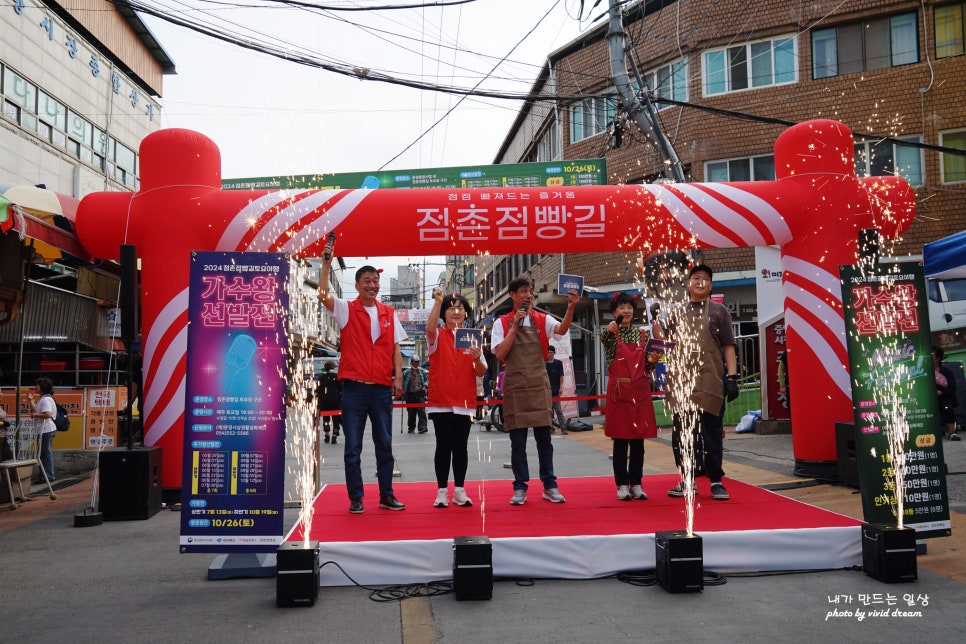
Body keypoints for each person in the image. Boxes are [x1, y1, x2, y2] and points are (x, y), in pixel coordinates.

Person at [318, 239, 406, 514]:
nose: (372, 285)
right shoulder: (346, 309)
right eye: (366, 280)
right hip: (354, 390)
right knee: (353, 447)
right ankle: (356, 497)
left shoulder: (389, 313)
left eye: (375, 281)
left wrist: (398, 379)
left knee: (385, 445)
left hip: (380, 389)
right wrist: (326, 264)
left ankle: (386, 494)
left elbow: (395, 348)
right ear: (357, 285)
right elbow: (322, 294)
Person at [491, 276, 579, 505]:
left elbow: (561, 329)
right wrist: (513, 328)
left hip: (539, 383)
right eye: (523, 291)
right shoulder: (501, 323)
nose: (528, 295)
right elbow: (500, 354)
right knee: (517, 441)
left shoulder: (542, 319)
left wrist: (570, 308)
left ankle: (549, 485)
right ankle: (520, 486)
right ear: (512, 295)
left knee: (544, 439)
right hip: (515, 385)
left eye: (530, 291)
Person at [655, 264, 738, 501]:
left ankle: (715, 481)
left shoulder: (719, 311)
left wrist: (731, 378)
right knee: (683, 434)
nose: (700, 282)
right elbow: (664, 342)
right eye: (696, 278)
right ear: (688, 283)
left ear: (711, 285)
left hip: (711, 380)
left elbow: (728, 346)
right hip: (682, 382)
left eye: (705, 279)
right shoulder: (676, 311)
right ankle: (687, 480)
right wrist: (654, 323)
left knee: (711, 433)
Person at [425, 288, 488, 508]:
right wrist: (438, 302)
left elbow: (480, 372)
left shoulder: (472, 337)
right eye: (451, 308)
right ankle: (441, 491)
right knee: (443, 446)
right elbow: (429, 328)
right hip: (441, 400)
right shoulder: (437, 335)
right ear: (444, 313)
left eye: (460, 308)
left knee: (460, 446)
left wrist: (478, 359)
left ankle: (459, 491)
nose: (456, 311)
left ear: (466, 314)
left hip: (464, 401)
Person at [601, 293, 658, 501]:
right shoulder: (610, 334)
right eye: (621, 307)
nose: (626, 311)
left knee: (638, 442)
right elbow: (604, 339)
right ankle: (621, 485)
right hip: (619, 393)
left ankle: (636, 483)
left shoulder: (642, 334)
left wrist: (653, 360)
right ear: (614, 312)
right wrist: (609, 329)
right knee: (620, 441)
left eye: (629, 307)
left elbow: (648, 366)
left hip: (640, 392)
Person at [26, 377, 57, 481]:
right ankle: (44, 476)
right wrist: (31, 401)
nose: (35, 387)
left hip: (46, 429)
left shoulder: (46, 399)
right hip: (43, 429)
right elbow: (37, 411)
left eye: (37, 385)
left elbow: (48, 414)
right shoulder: (43, 399)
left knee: (45, 454)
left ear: (43, 386)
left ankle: (48, 476)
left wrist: (34, 415)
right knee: (43, 454)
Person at [933, 346, 961, 441]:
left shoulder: (946, 371)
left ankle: (951, 433)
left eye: (932, 354)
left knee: (947, 406)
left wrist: (941, 392)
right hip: (929, 398)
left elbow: (953, 387)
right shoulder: (921, 370)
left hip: (944, 397)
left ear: (938, 357)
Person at [315, 360, 342, 444]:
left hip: (324, 402)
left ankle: (327, 435)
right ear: (333, 368)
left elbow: (317, 390)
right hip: (335, 401)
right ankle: (334, 436)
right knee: (336, 419)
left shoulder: (321, 378)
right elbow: (342, 390)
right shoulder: (337, 377)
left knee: (326, 419)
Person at [401, 356, 428, 433]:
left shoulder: (422, 372)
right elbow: (402, 383)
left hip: (420, 394)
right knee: (411, 412)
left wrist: (424, 386)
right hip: (410, 395)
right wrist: (402, 390)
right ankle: (411, 427)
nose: (416, 364)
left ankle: (422, 427)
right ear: (411, 363)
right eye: (414, 362)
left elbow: (426, 380)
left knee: (422, 411)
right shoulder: (406, 372)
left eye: (417, 362)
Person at [545, 345, 568, 434]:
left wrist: (561, 387)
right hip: (547, 391)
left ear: (554, 353)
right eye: (548, 352)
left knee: (558, 410)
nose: (549, 354)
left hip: (555, 391)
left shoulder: (558, 363)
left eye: (551, 352)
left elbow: (561, 376)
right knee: (548, 412)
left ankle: (563, 428)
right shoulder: (544, 364)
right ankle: (550, 428)